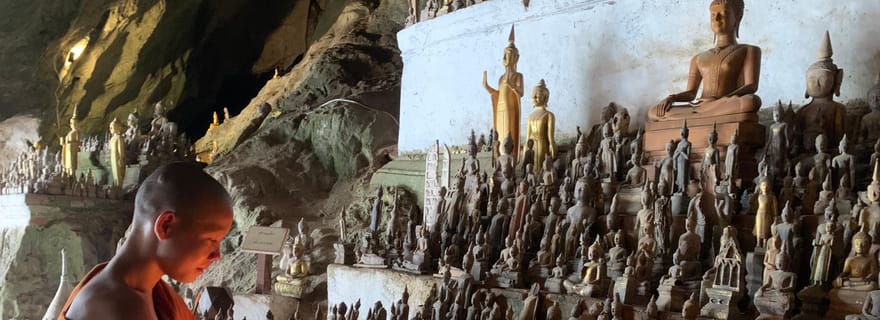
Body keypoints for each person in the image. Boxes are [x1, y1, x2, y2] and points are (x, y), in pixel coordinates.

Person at [60, 162, 234, 320]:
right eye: (211, 239)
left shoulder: (151, 292)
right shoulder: (115, 306)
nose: (216, 255)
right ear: (166, 225)